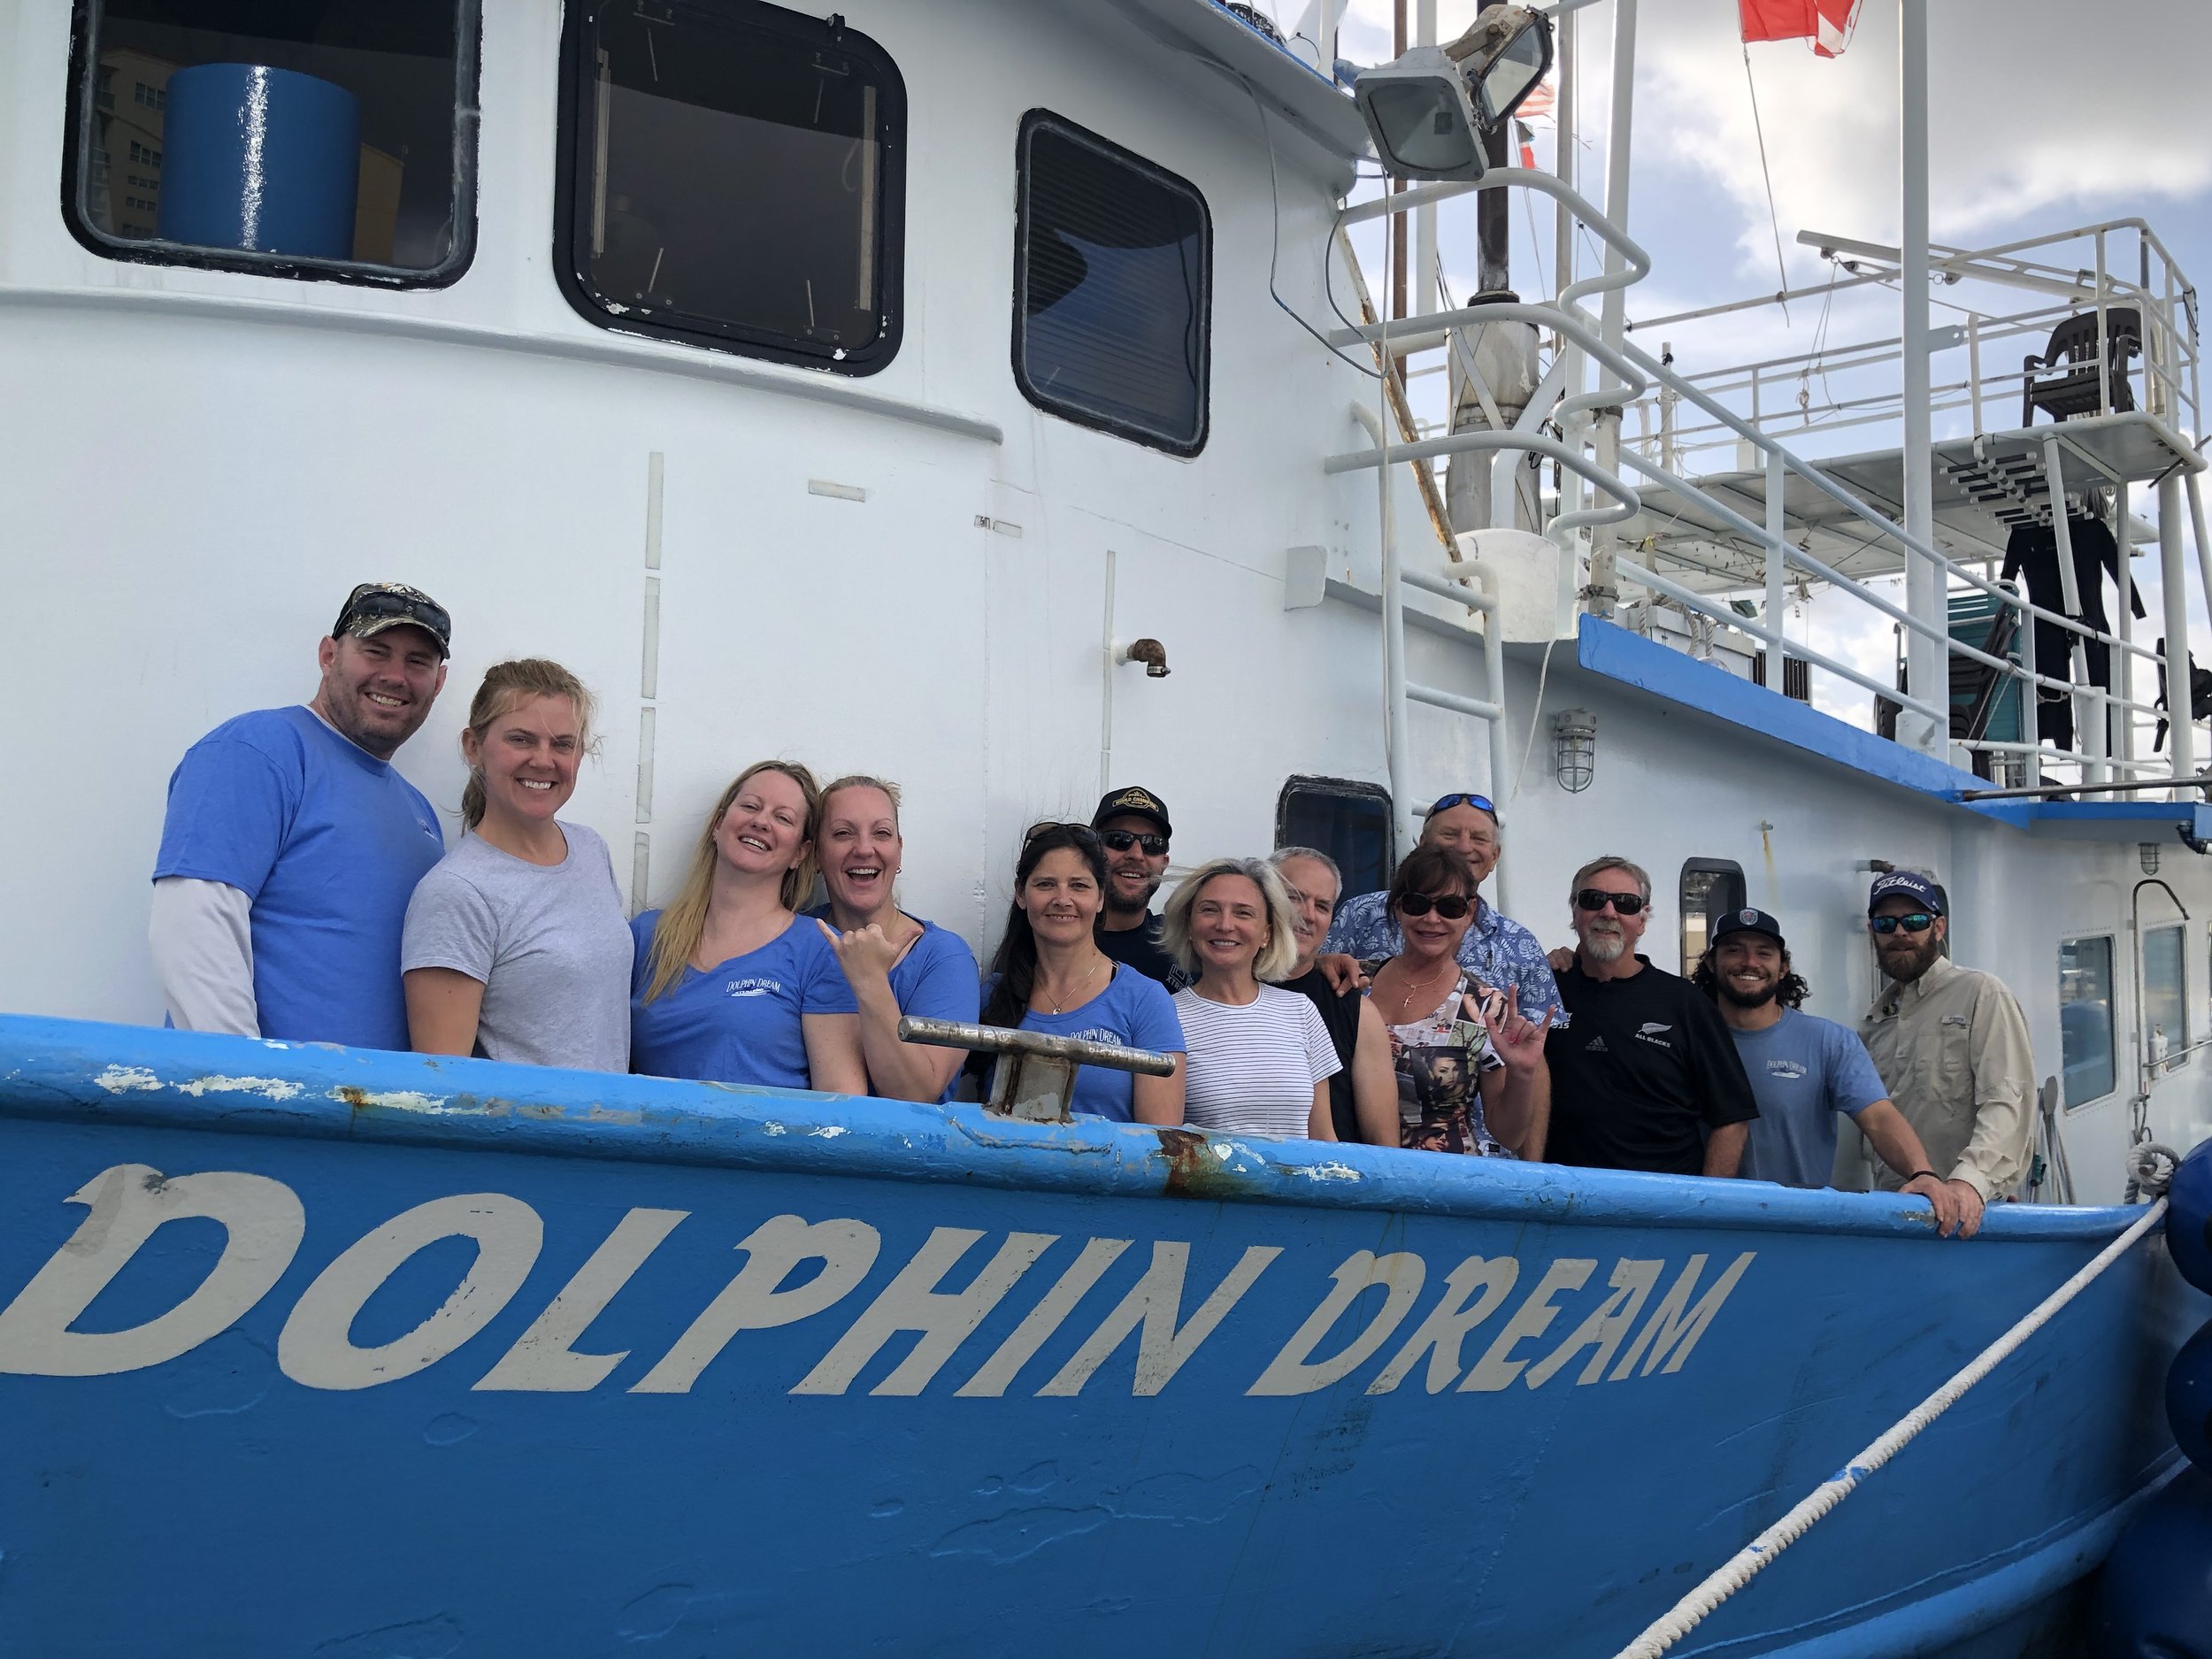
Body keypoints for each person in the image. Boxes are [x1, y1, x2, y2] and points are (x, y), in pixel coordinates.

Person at [150, 582, 452, 1049]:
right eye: (375, 651)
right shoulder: (257, 750)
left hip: (383, 1095)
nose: (395, 676)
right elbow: (193, 925)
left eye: (417, 662)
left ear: (438, 682)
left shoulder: (420, 813)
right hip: (271, 1092)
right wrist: (246, 1079)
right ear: (329, 655)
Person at [400, 661, 631, 1072]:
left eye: (562, 744)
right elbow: (444, 1081)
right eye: (521, 740)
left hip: (612, 1115)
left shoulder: (591, 849)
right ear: (473, 746)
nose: (543, 760)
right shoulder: (456, 893)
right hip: (530, 1118)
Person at [1694, 908, 1970, 1235]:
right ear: (1711, 963)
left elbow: (1878, 1117)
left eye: (1764, 953)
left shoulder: (1829, 1041)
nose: (1749, 962)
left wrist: (1922, 1174)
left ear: (1783, 968)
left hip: (1796, 1229)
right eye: (1734, 950)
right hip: (1705, 1226)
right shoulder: (1686, 1039)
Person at [629, 761, 866, 1094]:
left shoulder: (821, 950)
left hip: (768, 1130)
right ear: (718, 824)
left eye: (783, 818)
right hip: (650, 1128)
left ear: (800, 853)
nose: (761, 821)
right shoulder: (646, 936)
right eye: (751, 806)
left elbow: (840, 1099)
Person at [1543, 855, 1759, 1176]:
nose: (1608, 912)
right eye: (1593, 899)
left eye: (1626, 903)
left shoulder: (1686, 1004)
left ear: (1642, 919)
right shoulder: (1546, 992)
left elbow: (1731, 1119)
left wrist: (1705, 1199)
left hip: (1661, 1198)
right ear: (1575, 912)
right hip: (1564, 1194)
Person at [1859, 872, 2036, 1240]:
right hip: (1897, 1213)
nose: (1900, 932)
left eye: (1915, 921)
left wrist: (1970, 1183)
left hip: (1966, 1214)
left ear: (1938, 928)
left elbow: (2007, 1100)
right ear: (1872, 932)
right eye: (1886, 924)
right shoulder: (1875, 1022)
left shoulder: (1981, 993)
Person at [978, 823, 1185, 1124]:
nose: (1063, 899)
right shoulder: (993, 995)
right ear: (1021, 894)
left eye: (1079, 886)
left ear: (1100, 898)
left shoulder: (1145, 1000)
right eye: (1045, 884)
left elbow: (1161, 1137)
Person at [1365, 845, 1549, 1156]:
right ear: (1398, 909)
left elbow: (1509, 1135)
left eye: (1450, 907)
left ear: (1470, 912)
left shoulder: (1487, 1007)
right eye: (1417, 904)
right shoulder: (1354, 983)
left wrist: (1521, 1074)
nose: (1432, 919)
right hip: (1355, 1171)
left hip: (1445, 1177)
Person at [810, 775, 980, 1103]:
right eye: (843, 833)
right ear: (816, 852)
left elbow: (915, 1093)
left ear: (898, 851)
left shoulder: (944, 958)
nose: (864, 849)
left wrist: (871, 982)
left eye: (881, 833)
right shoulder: (794, 937)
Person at [1319, 792, 1560, 1025]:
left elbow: (1540, 1038)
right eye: (1450, 834)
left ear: (1495, 856)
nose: (1463, 847)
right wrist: (1319, 965)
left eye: (1478, 838)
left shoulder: (1522, 945)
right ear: (1423, 843)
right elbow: (1311, 978)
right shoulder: (1361, 914)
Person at [1161, 858, 1340, 1141]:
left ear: (1266, 933)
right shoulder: (1165, 1016)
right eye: (1210, 910)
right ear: (1190, 925)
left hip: (1297, 1172)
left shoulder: (1301, 1011)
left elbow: (1324, 1138)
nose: (1225, 925)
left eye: (1243, 913)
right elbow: (1163, 1138)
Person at [1268, 847, 1404, 1147]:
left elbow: (1384, 1146)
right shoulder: (1218, 989)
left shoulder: (1357, 1011)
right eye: (1295, 898)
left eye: (1322, 906)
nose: (1308, 915)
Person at [1089, 786, 1190, 990]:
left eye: (1152, 844)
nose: (1136, 854)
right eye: (1119, 839)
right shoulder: (1054, 940)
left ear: (1164, 862)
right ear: (1091, 852)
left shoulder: (1184, 942)